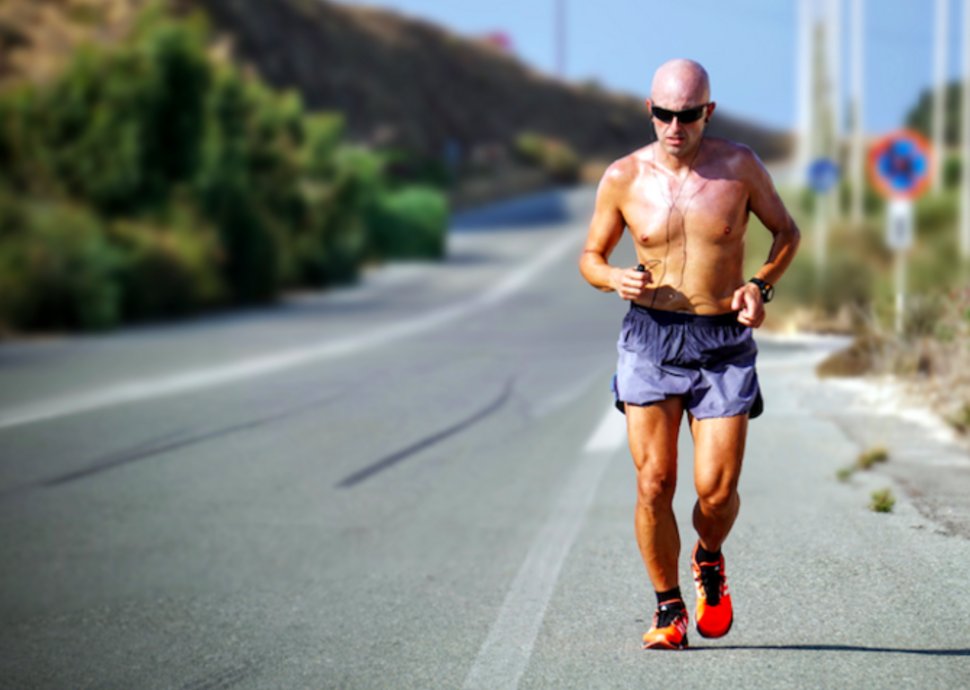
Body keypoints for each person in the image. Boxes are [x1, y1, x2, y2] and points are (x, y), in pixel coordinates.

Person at [578, 58, 800, 650]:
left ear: (709, 111)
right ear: (649, 110)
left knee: (716, 492)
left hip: (722, 341)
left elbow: (787, 232)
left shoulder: (740, 167)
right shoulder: (623, 176)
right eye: (664, 114)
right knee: (654, 482)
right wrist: (611, 279)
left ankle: (708, 557)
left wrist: (760, 285)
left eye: (688, 115)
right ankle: (668, 608)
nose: (675, 127)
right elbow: (591, 255)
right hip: (650, 336)